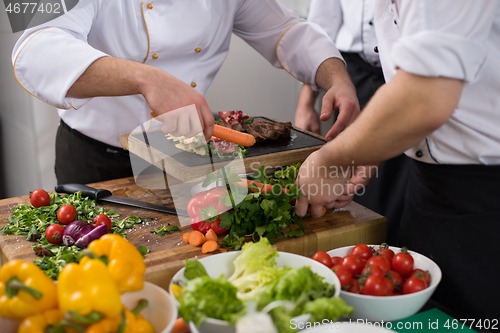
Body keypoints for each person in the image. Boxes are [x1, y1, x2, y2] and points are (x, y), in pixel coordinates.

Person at [295, 0, 500, 321]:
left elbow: (424, 97)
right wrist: (377, 145)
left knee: (472, 319)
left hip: (485, 195)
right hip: (432, 187)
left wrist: (331, 160)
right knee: (427, 320)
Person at [12, 0, 359, 185]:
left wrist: (336, 75)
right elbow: (32, 50)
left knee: (188, 270)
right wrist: (146, 79)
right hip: (96, 160)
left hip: (190, 158)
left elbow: (285, 30)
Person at [295, 0, 411, 244]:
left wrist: (330, 159)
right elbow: (318, 29)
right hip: (352, 79)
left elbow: (423, 95)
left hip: (405, 84)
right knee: (355, 197)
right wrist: (307, 102)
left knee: (400, 197)